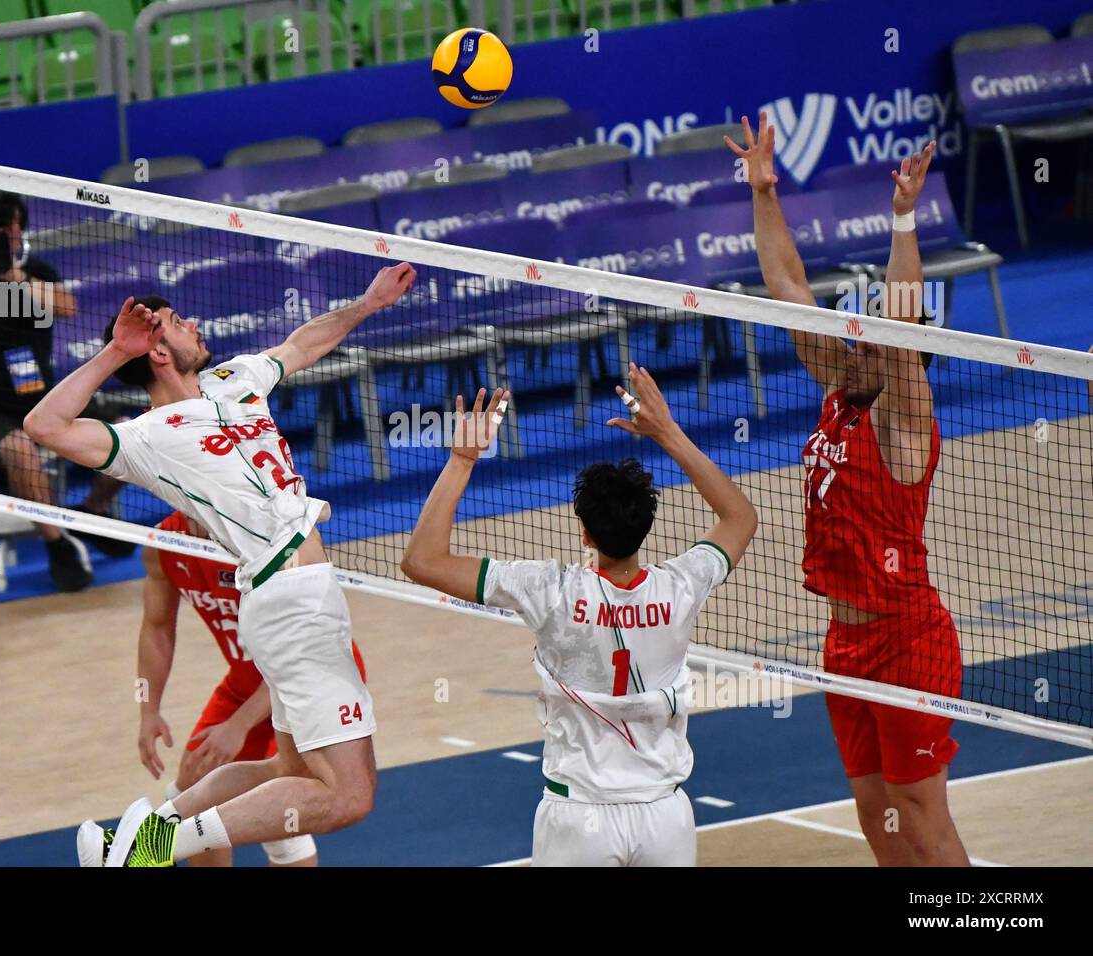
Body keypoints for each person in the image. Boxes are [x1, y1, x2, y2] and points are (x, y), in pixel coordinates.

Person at [23, 262, 417, 866]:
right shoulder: (143, 438)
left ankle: (138, 838)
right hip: (290, 601)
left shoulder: (235, 379)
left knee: (284, 768)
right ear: (155, 349)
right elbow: (43, 425)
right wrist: (113, 352)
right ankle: (146, 853)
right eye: (180, 322)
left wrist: (367, 304)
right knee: (349, 797)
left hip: (295, 597)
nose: (196, 324)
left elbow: (303, 343)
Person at [725, 113, 969, 865]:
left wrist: (903, 218)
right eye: (849, 332)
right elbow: (785, 283)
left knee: (924, 821)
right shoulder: (839, 390)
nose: (849, 337)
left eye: (863, 337)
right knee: (877, 818)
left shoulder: (901, 418)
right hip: (844, 643)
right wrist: (764, 190)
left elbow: (901, 325)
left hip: (906, 640)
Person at [400, 373, 757, 866]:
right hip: (665, 819)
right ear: (646, 526)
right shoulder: (681, 587)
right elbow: (740, 517)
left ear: (585, 532)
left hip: (579, 818)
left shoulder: (549, 590)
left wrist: (462, 460)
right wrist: (668, 432)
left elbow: (421, 561)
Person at [77, 509, 367, 868]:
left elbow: (299, 643)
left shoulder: (262, 540)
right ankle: (139, 843)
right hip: (247, 681)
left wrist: (239, 725)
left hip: (307, 675)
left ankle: (141, 848)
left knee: (291, 799)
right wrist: (148, 710)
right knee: (196, 780)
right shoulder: (164, 544)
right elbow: (157, 627)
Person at [0, 189, 128, 593]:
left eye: (11, 227)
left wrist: (13, 278)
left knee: (126, 430)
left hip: (40, 401)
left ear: (20, 231)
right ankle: (57, 544)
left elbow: (67, 306)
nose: (5, 234)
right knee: (18, 447)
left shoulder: (36, 273)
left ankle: (92, 511)